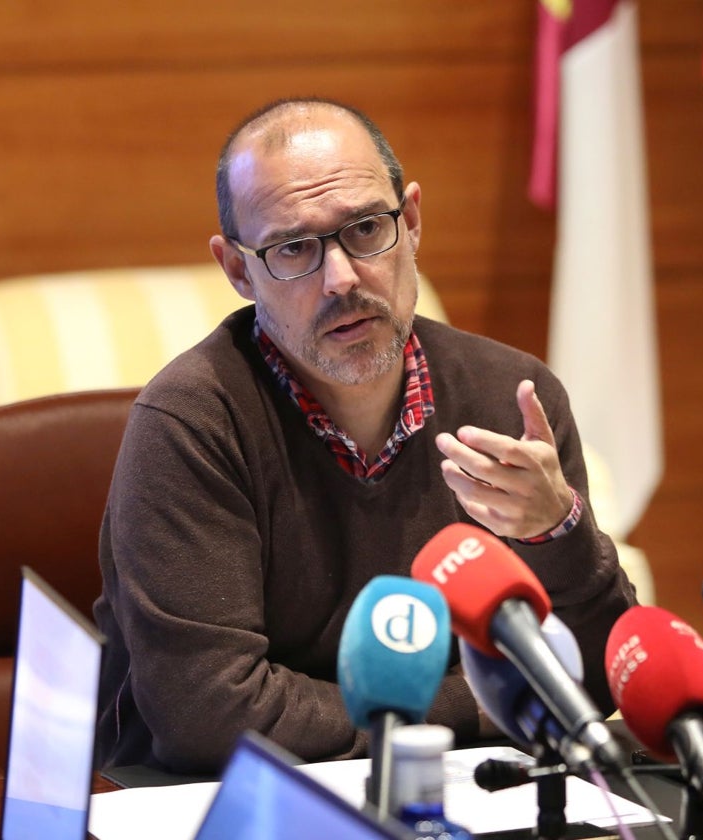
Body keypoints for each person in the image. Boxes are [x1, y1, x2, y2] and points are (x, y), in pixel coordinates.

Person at [93, 98, 637, 774]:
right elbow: (211, 715)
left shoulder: (509, 398)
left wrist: (560, 533)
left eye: (365, 229)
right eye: (293, 248)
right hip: (225, 807)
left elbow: (594, 671)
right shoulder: (194, 426)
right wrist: (483, 709)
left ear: (409, 222)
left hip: (474, 797)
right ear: (237, 270)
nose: (342, 278)